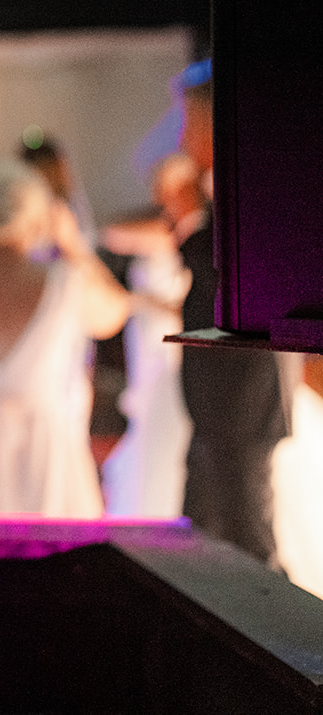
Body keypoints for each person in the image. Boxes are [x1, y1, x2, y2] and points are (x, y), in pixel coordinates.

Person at [0, 160, 132, 516]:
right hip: (42, 455)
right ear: (39, 221)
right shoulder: (65, 282)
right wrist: (74, 245)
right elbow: (114, 314)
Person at [176, 70, 289, 565]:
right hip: (216, 401)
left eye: (191, 123)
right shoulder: (219, 189)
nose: (183, 138)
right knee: (204, 537)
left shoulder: (254, 189)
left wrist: (187, 223)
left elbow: (232, 270)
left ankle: (270, 639)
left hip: (238, 397)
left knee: (247, 540)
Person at [99, 152, 201, 517]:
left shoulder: (189, 236)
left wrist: (143, 300)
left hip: (171, 353)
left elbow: (112, 234)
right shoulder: (167, 230)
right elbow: (112, 233)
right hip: (149, 344)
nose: (160, 199)